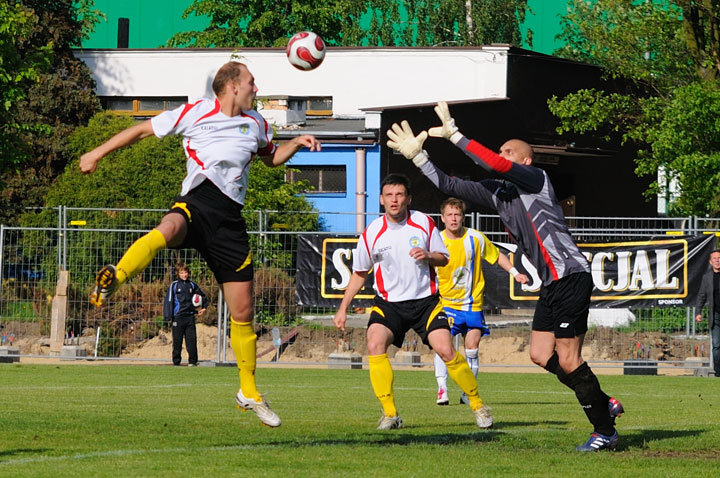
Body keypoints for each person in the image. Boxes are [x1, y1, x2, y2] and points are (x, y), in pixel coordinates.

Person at [79, 61, 321, 428]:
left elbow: (270, 159)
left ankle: (248, 392)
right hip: (196, 203)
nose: (257, 88)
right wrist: (97, 153)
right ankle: (118, 274)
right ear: (231, 86)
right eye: (251, 83)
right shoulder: (195, 112)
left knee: (243, 313)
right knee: (170, 225)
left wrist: (296, 144)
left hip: (228, 223)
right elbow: (142, 130)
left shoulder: (256, 123)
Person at [386, 102, 623, 451]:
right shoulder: (498, 192)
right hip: (553, 284)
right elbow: (448, 183)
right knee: (541, 355)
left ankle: (605, 430)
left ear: (525, 161)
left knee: (570, 359)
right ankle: (604, 402)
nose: (501, 155)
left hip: (571, 275)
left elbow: (494, 163)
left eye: (509, 151)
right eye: (501, 150)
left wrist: (456, 136)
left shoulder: (535, 179)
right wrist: (418, 157)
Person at [333, 173, 494, 430]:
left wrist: (428, 255)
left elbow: (443, 258)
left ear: (408, 198)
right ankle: (390, 414)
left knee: (446, 350)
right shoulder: (372, 232)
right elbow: (360, 273)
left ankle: (478, 405)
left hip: (425, 303)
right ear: (382, 200)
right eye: (389, 195)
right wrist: (343, 308)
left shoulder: (423, 222)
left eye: (399, 195)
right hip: (389, 305)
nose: (394, 200)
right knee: (375, 344)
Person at [433, 197, 529, 406]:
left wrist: (515, 273)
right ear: (443, 218)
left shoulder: (475, 238)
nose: (453, 219)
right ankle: (442, 388)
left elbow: (497, 256)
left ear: (463, 216)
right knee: (443, 347)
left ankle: (469, 392)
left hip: (473, 304)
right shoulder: (436, 241)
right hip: (446, 304)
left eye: (457, 214)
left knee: (472, 346)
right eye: (449, 215)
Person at [163, 262, 208, 367]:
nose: (184, 275)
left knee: (191, 341)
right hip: (178, 317)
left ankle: (192, 362)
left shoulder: (192, 285)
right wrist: (168, 316)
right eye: (182, 273)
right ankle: (176, 362)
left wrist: (204, 307)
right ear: (178, 274)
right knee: (177, 342)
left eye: (186, 272)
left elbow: (202, 296)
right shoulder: (174, 285)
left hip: (190, 317)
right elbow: (168, 301)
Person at [695, 249, 720, 377]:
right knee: (716, 345)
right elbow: (701, 296)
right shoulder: (707, 277)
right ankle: (718, 372)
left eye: (719, 258)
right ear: (711, 262)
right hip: (715, 316)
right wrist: (698, 312)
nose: (717, 260)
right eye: (715, 258)